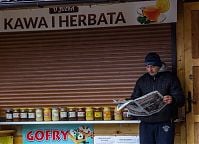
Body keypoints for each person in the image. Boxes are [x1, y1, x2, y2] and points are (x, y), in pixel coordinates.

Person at [131, 52, 185, 144]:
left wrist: (173, 99)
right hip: (146, 123)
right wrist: (127, 103)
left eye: (152, 66)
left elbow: (181, 99)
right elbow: (135, 98)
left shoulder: (170, 78)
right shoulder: (142, 80)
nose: (149, 70)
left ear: (159, 65)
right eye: (147, 67)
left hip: (164, 122)